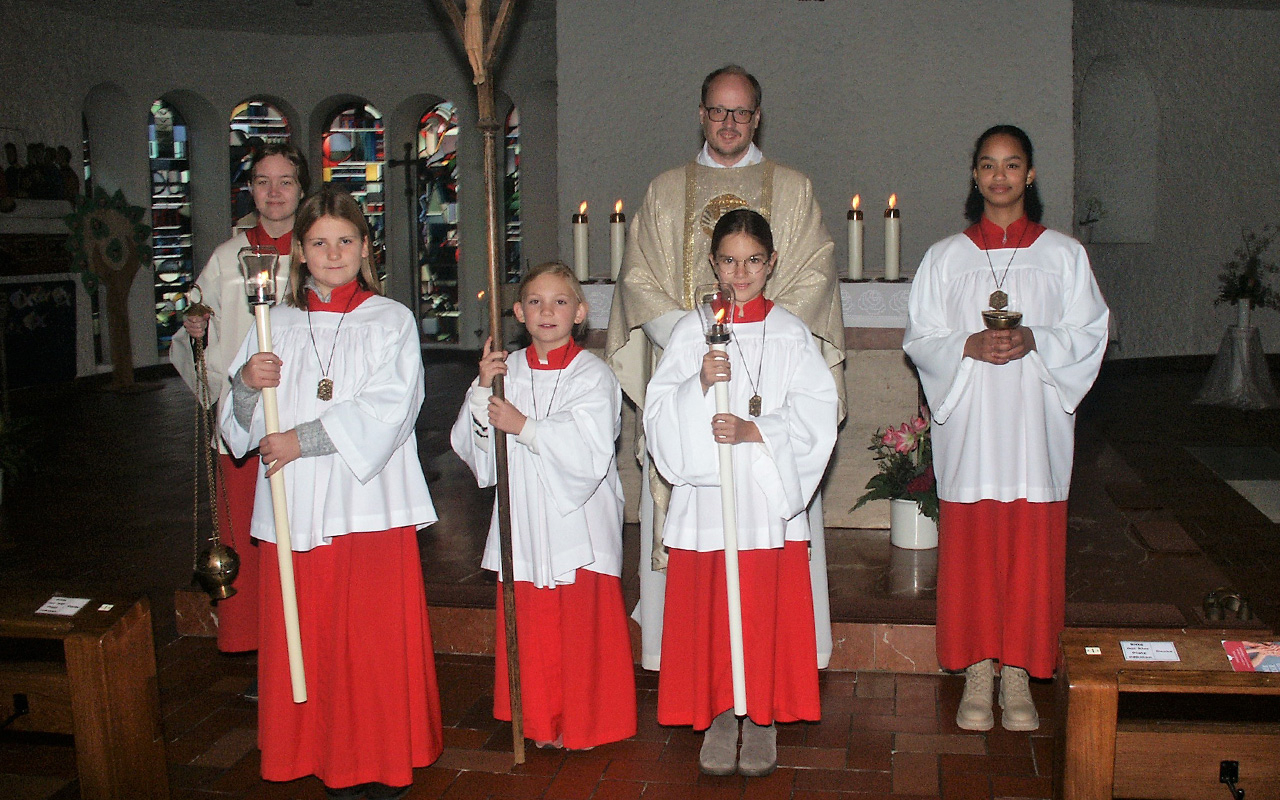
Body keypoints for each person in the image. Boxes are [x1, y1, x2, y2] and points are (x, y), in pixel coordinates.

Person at [605, 64, 844, 672]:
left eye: (741, 112)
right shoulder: (663, 192)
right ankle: (693, 664)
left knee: (770, 532)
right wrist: (696, 338)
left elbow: (813, 275)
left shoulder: (793, 189)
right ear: (702, 113)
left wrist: (756, 338)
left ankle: (771, 664)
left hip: (770, 397)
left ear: (758, 116)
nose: (729, 123)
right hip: (693, 381)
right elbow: (639, 279)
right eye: (718, 111)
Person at [219, 187, 442, 799]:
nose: (333, 252)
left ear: (365, 248)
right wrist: (244, 383)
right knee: (307, 636)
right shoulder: (274, 324)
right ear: (298, 252)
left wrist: (303, 439)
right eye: (318, 242)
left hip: (366, 506)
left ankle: (379, 757)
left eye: (345, 240)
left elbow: (392, 408)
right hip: (295, 507)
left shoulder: (389, 319)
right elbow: (236, 426)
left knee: (370, 644)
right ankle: (314, 752)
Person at [903, 125, 1109, 732]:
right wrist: (968, 342)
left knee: (1029, 546)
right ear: (974, 175)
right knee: (974, 546)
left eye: (1012, 165)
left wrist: (1034, 339)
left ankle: (1017, 670)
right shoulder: (946, 257)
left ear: (1030, 175)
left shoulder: (1063, 255)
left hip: (1032, 422)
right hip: (972, 421)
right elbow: (921, 337)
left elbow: (1091, 332)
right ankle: (976, 668)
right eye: (988, 165)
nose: (1000, 176)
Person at [645, 209, 838, 776]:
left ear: (771, 263)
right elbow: (659, 416)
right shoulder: (690, 331)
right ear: (712, 263)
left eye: (753, 260)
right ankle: (720, 713)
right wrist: (698, 384)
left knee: (759, 609)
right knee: (713, 610)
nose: (740, 272)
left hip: (763, 498)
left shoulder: (791, 334)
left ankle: (761, 717)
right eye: (729, 260)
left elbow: (817, 415)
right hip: (710, 501)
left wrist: (759, 430)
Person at [450, 261, 636, 750]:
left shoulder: (593, 374)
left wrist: (525, 427)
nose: (546, 311)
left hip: (577, 521)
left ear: (579, 312)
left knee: (578, 628)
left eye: (559, 301)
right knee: (533, 624)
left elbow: (591, 447)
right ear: (517, 312)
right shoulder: (504, 371)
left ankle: (585, 720)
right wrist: (479, 392)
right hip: (525, 516)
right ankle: (538, 718)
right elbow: (474, 450)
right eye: (535, 301)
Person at [171, 143, 307, 660]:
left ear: (301, 188)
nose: (274, 193)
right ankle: (259, 651)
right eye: (263, 181)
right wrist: (196, 332)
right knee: (249, 541)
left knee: (297, 538)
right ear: (250, 188)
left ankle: (299, 644)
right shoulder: (228, 258)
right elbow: (195, 339)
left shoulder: (319, 247)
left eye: (285, 181)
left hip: (300, 425)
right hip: (243, 427)